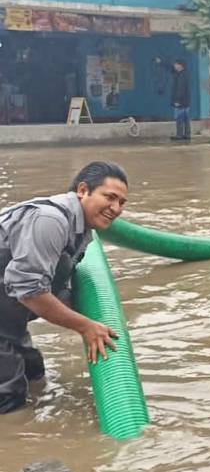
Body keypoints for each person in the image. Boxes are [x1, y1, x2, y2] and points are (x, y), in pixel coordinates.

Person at [0, 162, 129, 413]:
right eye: (110, 197)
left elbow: (53, 283)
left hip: (7, 313)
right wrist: (85, 326)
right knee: (9, 392)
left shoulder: (82, 231)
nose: (115, 208)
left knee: (33, 370)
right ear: (83, 190)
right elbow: (30, 290)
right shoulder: (50, 220)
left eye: (122, 203)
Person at [170, 58, 191, 141]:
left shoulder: (181, 75)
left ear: (180, 65)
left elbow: (180, 89)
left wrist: (177, 100)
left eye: (175, 64)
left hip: (181, 101)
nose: (174, 66)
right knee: (186, 118)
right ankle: (187, 134)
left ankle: (179, 135)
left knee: (179, 118)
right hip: (186, 101)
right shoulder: (185, 74)